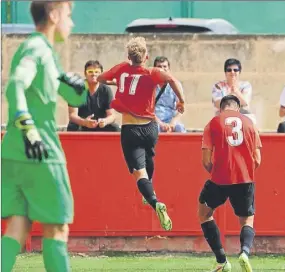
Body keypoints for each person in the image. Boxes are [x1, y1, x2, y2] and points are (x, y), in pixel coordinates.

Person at [1, 2, 88, 272]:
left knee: (18, 224)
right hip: (40, 152)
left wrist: (79, 90)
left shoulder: (45, 54)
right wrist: (29, 129)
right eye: (69, 15)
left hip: (13, 153)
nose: (71, 22)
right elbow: (16, 83)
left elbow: (69, 93)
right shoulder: (38, 48)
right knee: (57, 228)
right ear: (53, 15)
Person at [97, 36, 185, 231]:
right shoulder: (152, 72)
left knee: (139, 172)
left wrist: (119, 83)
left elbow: (101, 78)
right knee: (149, 158)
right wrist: (181, 101)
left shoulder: (121, 69)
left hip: (131, 129)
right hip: (151, 127)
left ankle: (154, 201)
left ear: (129, 56)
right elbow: (172, 79)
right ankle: (150, 191)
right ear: (146, 57)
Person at [198, 95, 262, 272]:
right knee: (247, 218)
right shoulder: (250, 123)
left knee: (204, 213)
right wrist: (245, 171)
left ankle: (222, 261)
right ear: (238, 108)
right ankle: (244, 252)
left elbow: (206, 160)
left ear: (221, 108)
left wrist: (217, 172)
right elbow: (258, 159)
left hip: (219, 178)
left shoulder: (213, 122)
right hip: (245, 178)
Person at [67, 60, 119, 132]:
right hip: (82, 124)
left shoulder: (106, 90)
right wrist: (85, 122)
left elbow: (112, 115)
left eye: (97, 72)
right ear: (85, 74)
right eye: (90, 72)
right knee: (72, 126)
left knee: (115, 128)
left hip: (100, 126)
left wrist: (105, 121)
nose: (93, 74)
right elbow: (72, 115)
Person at [153, 56, 186, 133]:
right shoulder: (150, 85)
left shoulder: (176, 85)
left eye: (165, 66)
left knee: (180, 128)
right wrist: (161, 124)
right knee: (154, 129)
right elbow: (147, 110)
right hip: (155, 120)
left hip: (170, 120)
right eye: (159, 66)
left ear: (169, 69)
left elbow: (181, 109)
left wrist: (173, 122)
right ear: (154, 69)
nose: (162, 69)